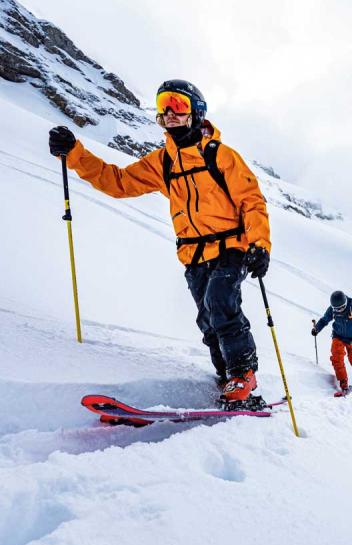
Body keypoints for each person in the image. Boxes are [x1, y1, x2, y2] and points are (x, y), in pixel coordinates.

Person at [48, 79, 271, 408]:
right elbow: (119, 182)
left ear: (196, 112)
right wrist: (76, 155)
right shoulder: (163, 162)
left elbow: (251, 200)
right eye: (163, 105)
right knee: (208, 318)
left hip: (230, 248)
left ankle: (244, 373)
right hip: (193, 253)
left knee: (220, 301)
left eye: (178, 106)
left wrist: (259, 244)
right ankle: (228, 378)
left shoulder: (220, 156)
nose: (169, 113)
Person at [311, 290, 352, 396]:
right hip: (338, 336)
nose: (339, 311)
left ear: (345, 303)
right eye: (336, 309)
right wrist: (317, 329)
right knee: (336, 357)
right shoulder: (332, 310)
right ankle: (343, 383)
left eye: (341, 308)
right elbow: (324, 320)